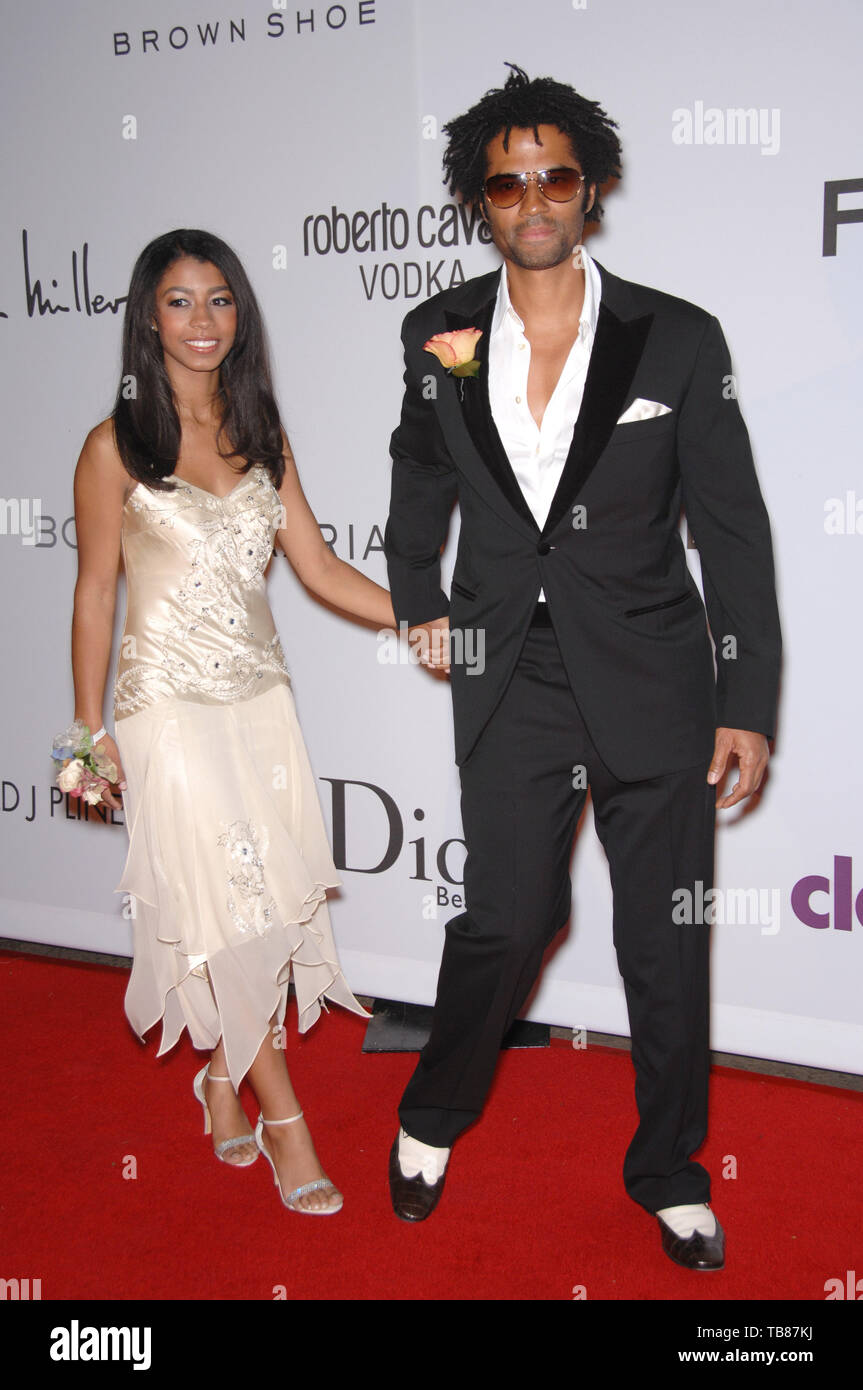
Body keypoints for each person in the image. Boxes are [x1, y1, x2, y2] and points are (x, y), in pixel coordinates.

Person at [384, 66, 781, 1268]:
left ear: (590, 185)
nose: (532, 197)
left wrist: (745, 701)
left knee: (663, 937)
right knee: (505, 921)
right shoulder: (436, 333)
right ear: (478, 200)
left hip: (656, 677)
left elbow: (737, 530)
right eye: (506, 182)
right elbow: (416, 484)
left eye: (554, 174)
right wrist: (419, 607)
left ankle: (666, 1169)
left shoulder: (677, 335)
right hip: (513, 677)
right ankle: (432, 1111)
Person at [71, 228, 394, 1214]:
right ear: (146, 317)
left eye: (219, 299)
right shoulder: (112, 445)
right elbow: (94, 595)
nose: (202, 320)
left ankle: (222, 1079)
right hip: (164, 712)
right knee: (224, 911)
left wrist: (434, 617)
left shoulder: (265, 434)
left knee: (258, 909)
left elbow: (322, 571)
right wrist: (87, 739)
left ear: (239, 314)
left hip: (260, 706)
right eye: (179, 300)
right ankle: (285, 1124)